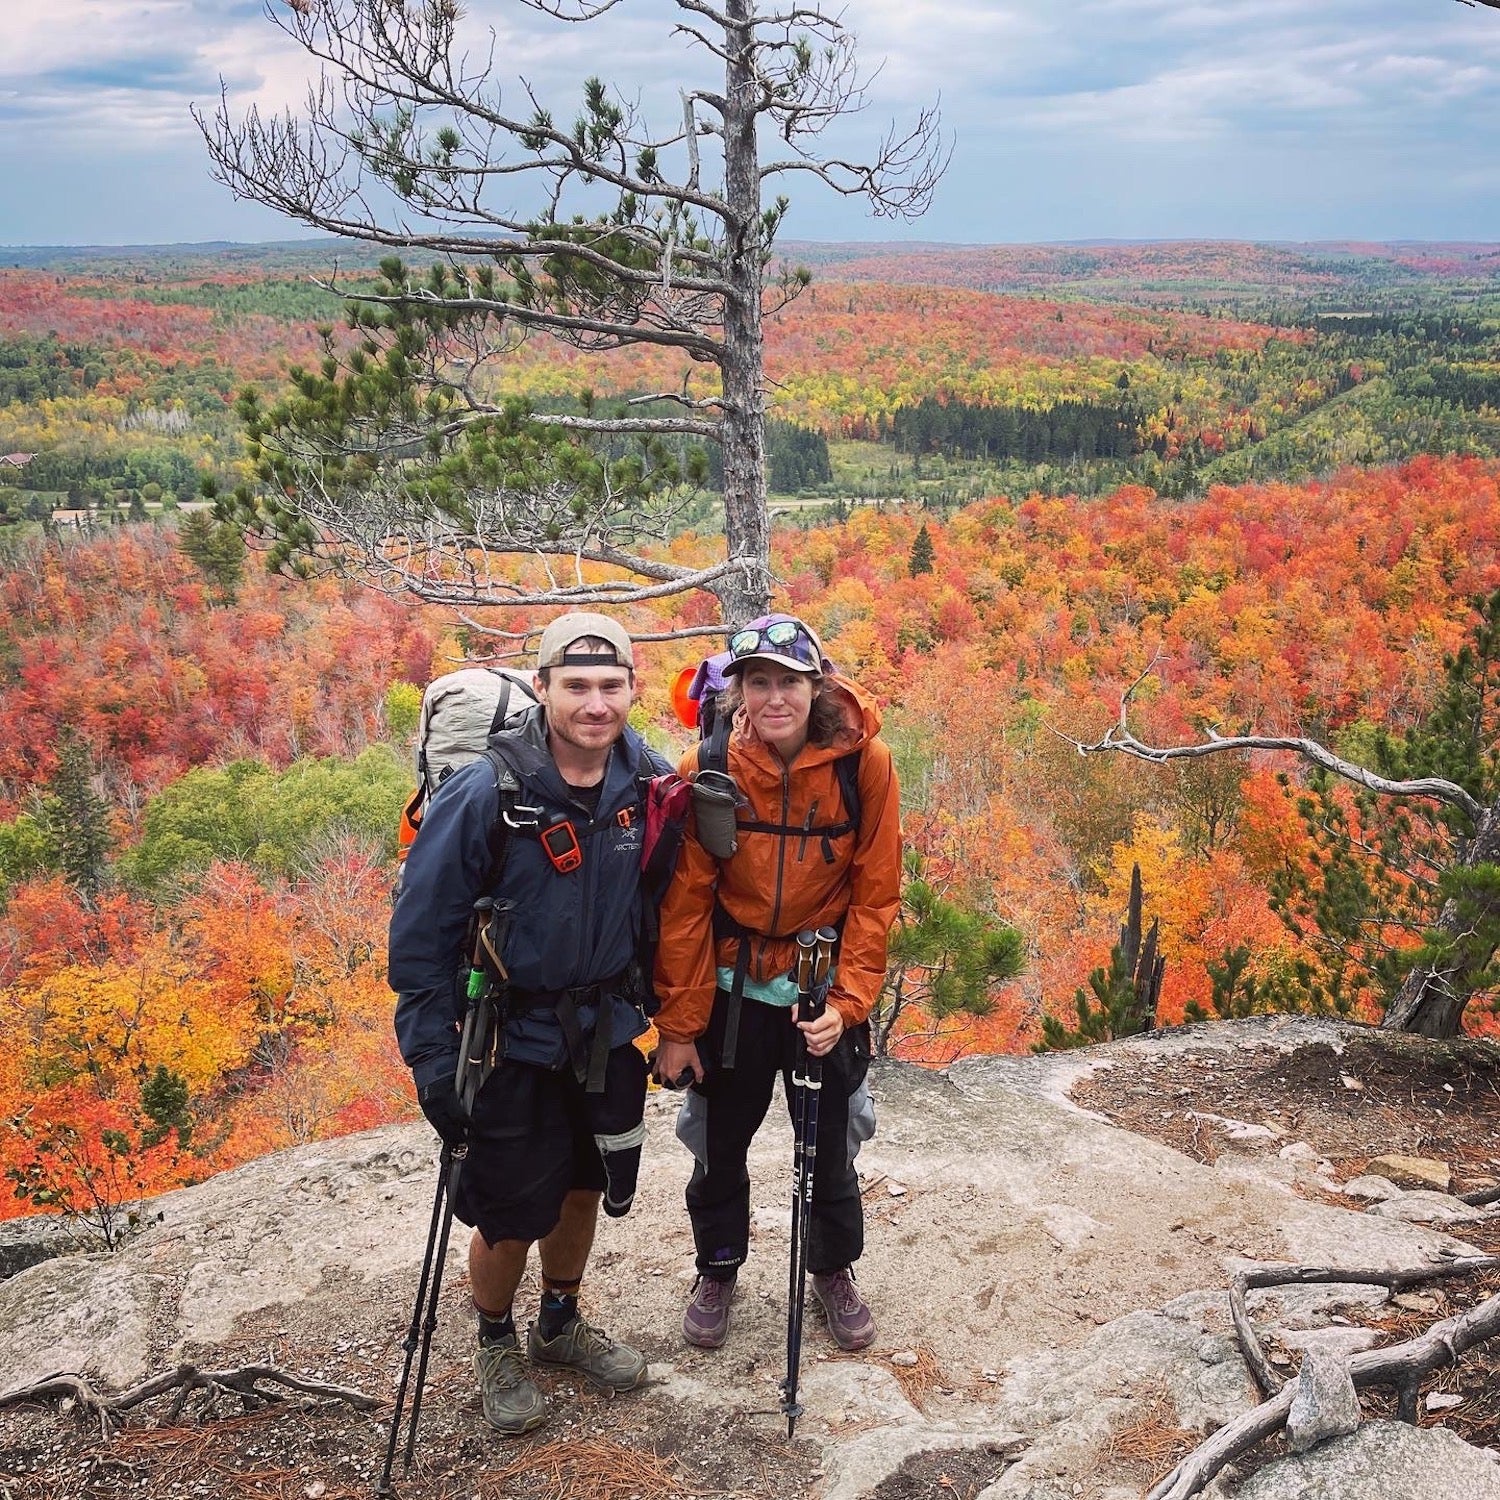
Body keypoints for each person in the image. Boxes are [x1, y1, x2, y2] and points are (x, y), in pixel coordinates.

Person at [390, 612, 671, 1436]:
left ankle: (560, 1321)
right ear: (541, 689)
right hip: (506, 1037)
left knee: (585, 1186)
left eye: (610, 685)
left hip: (606, 1029)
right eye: (575, 685)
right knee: (510, 1208)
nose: (594, 702)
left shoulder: (643, 779)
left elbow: (674, 899)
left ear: (630, 690)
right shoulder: (489, 792)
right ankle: (494, 1341)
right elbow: (422, 935)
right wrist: (433, 1061)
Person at [651, 613, 902, 1353]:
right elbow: (687, 902)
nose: (774, 697)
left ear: (813, 684)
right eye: (757, 682)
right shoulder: (714, 767)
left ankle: (832, 1268)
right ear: (739, 692)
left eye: (787, 680)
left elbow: (875, 892)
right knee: (718, 1144)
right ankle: (718, 1266)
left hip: (817, 989)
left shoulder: (865, 765)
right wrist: (678, 1026)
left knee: (828, 1146)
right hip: (733, 994)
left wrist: (850, 1006)